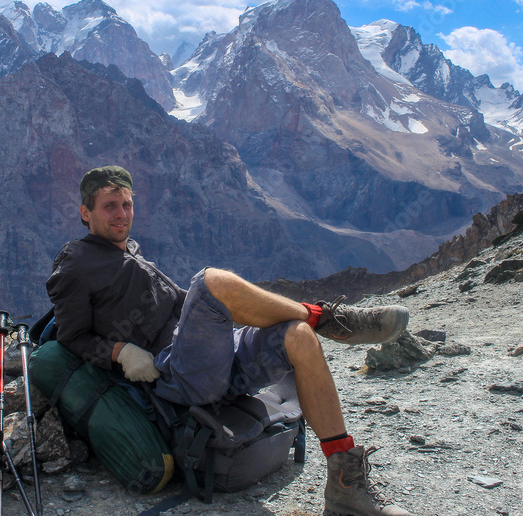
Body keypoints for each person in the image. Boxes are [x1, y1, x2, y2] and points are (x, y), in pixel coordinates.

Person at [46, 165, 415, 516]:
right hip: (175, 376)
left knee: (298, 338)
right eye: (110, 206)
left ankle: (345, 487)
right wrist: (121, 352)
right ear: (85, 212)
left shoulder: (129, 252)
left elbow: (176, 300)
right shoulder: (75, 263)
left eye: (127, 204)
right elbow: (71, 335)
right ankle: (329, 319)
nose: (122, 213)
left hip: (208, 356)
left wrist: (222, 317)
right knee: (211, 281)